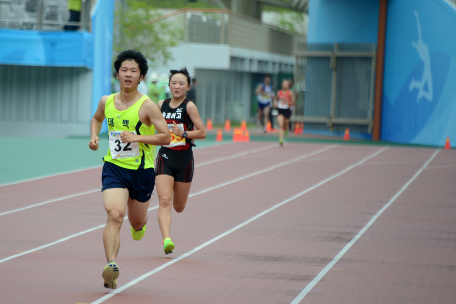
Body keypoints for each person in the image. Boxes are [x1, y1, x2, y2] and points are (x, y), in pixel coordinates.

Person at [89, 50, 171, 289]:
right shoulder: (106, 101)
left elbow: (165, 137)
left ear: (141, 77)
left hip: (142, 171)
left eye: (133, 71)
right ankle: (111, 266)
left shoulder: (147, 107)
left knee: (136, 222)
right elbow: (96, 118)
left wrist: (136, 138)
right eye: (124, 70)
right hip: (114, 167)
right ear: (117, 74)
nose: (128, 74)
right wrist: (94, 137)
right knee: (114, 215)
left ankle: (140, 225)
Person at [155, 67, 206, 255]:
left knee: (178, 207)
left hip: (184, 160)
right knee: (165, 200)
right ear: (169, 85)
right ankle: (166, 239)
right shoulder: (161, 104)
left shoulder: (189, 106)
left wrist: (184, 133)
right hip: (165, 157)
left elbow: (202, 133)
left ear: (188, 87)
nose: (177, 86)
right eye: (174, 83)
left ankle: (176, 185)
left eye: (181, 83)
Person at [274, 79, 295, 146]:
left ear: (288, 85)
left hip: (287, 110)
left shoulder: (290, 93)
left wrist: (287, 102)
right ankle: (281, 139)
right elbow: (275, 99)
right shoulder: (279, 92)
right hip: (280, 110)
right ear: (282, 85)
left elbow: (293, 103)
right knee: (280, 125)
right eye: (284, 84)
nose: (285, 85)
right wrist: (275, 102)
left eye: (286, 84)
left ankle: (286, 130)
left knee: (285, 126)